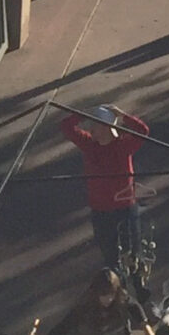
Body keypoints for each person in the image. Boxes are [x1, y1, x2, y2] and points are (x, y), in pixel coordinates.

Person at [61, 103, 151, 270]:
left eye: (94, 124)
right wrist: (82, 115)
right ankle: (117, 288)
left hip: (124, 208)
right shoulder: (89, 145)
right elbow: (66, 127)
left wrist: (122, 115)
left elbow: (142, 131)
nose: (91, 129)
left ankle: (138, 286)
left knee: (133, 256)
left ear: (106, 127)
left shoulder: (123, 146)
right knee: (110, 258)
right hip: (100, 211)